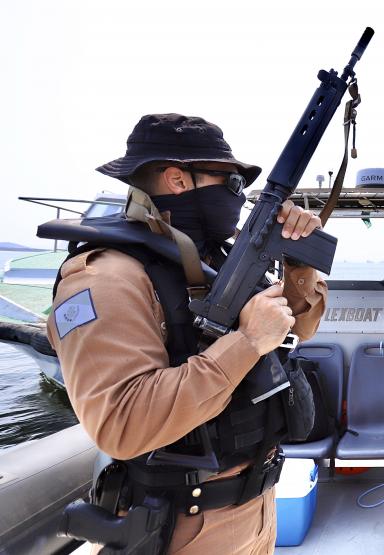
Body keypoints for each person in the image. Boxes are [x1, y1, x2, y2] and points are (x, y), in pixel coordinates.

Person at [47, 113, 327, 553]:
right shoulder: (106, 277)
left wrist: (296, 259)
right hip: (186, 524)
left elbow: (302, 327)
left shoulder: (216, 260)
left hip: (257, 502)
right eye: (232, 184)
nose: (239, 198)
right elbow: (123, 424)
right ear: (177, 179)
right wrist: (247, 342)